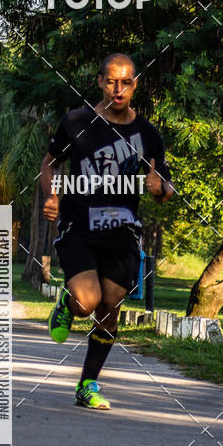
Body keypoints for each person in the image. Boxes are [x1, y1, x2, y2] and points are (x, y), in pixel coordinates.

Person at [41, 52, 173, 410]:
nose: (118, 88)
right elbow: (50, 163)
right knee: (88, 302)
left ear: (135, 84)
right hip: (79, 226)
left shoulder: (147, 134)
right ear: (100, 81)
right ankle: (67, 305)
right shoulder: (77, 121)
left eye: (126, 81)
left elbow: (166, 186)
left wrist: (159, 187)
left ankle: (88, 384)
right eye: (111, 81)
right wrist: (51, 195)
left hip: (122, 232)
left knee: (111, 305)